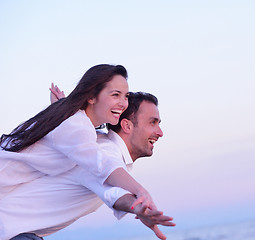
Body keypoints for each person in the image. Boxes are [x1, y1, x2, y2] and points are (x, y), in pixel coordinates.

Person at [0, 91, 175, 240]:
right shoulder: (102, 152)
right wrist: (139, 208)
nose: (160, 132)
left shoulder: (93, 143)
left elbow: (75, 126)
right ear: (127, 125)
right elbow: (113, 194)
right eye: (153, 122)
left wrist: (63, 108)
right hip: (13, 232)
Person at [0, 64, 154, 210]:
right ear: (91, 97)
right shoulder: (76, 126)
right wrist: (140, 191)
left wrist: (60, 104)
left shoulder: (71, 119)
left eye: (125, 96)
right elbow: (101, 164)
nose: (123, 103)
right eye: (115, 95)